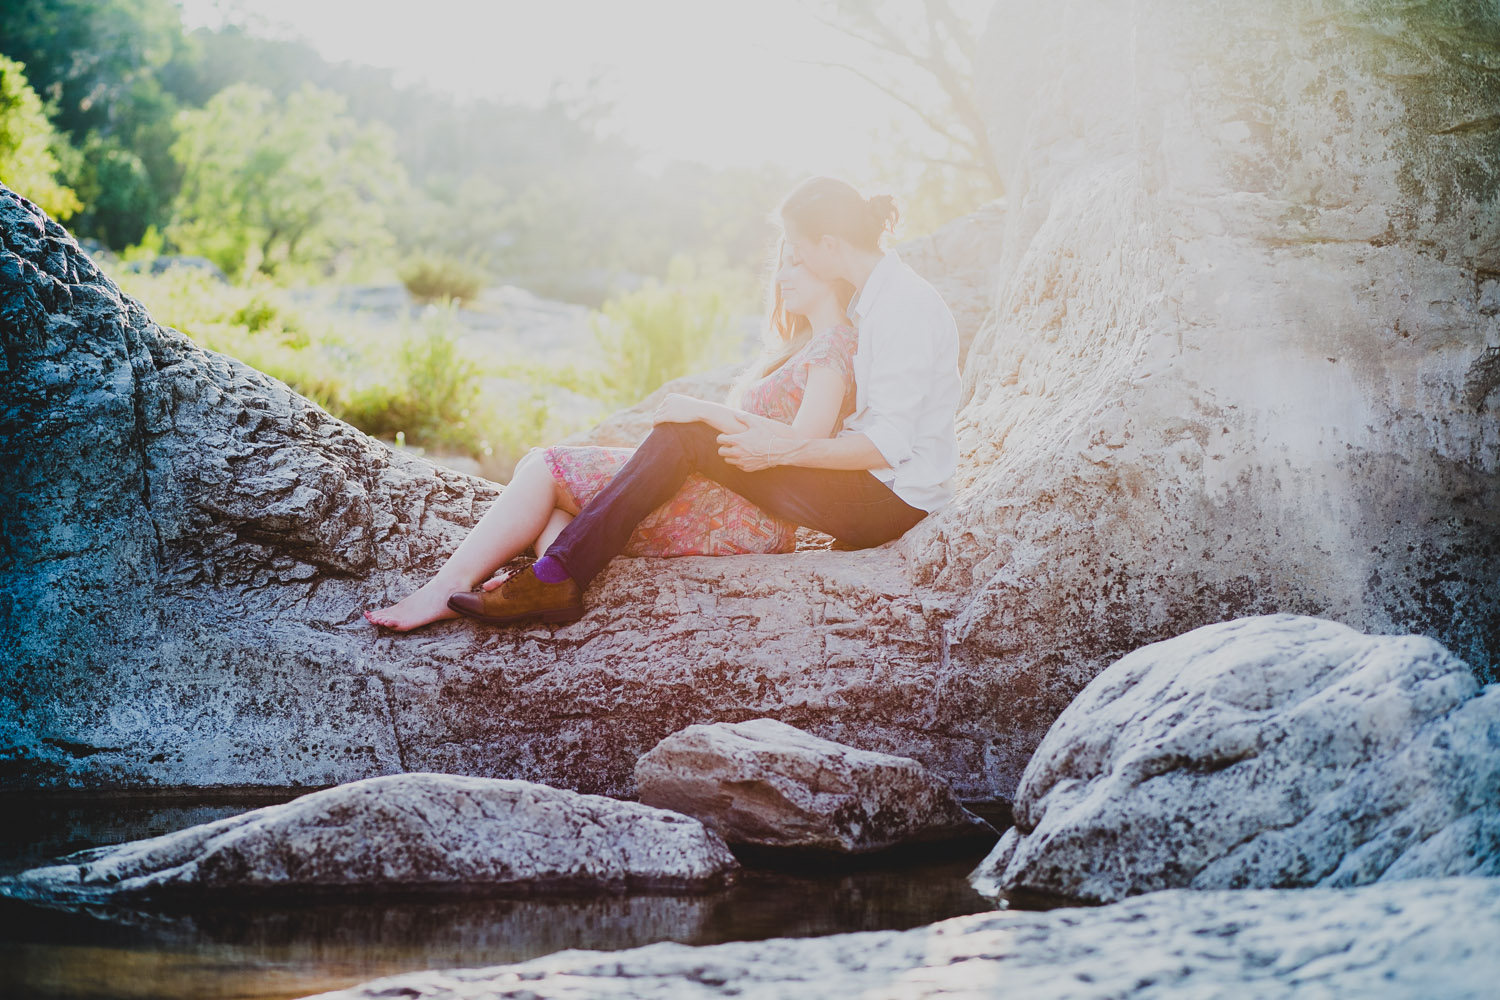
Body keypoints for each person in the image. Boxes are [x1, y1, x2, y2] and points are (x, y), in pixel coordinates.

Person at [447, 176, 961, 627]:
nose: (793, 265)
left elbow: (886, 444)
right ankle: (556, 569)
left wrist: (776, 451)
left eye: (799, 253)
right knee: (684, 435)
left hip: (891, 502)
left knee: (687, 434)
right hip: (868, 485)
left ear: (829, 244)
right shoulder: (873, 300)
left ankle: (559, 575)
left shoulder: (902, 306)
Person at [365, 236, 861, 631]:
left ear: (830, 262)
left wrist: (707, 412)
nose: (782, 274)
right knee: (545, 491)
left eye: (796, 263)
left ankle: (449, 587)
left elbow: (804, 442)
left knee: (543, 470)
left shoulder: (834, 343)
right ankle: (548, 582)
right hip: (724, 493)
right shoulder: (803, 343)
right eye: (783, 262)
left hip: (741, 513)